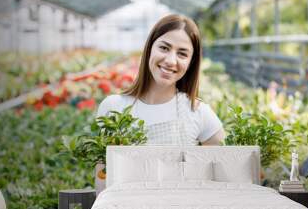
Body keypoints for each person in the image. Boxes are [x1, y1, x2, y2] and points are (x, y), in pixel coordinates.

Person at [96, 14, 225, 146]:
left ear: (191, 62)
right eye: (164, 48)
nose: (170, 61)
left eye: (182, 54)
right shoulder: (113, 107)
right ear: (150, 48)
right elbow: (102, 166)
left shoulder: (197, 112)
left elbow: (227, 161)